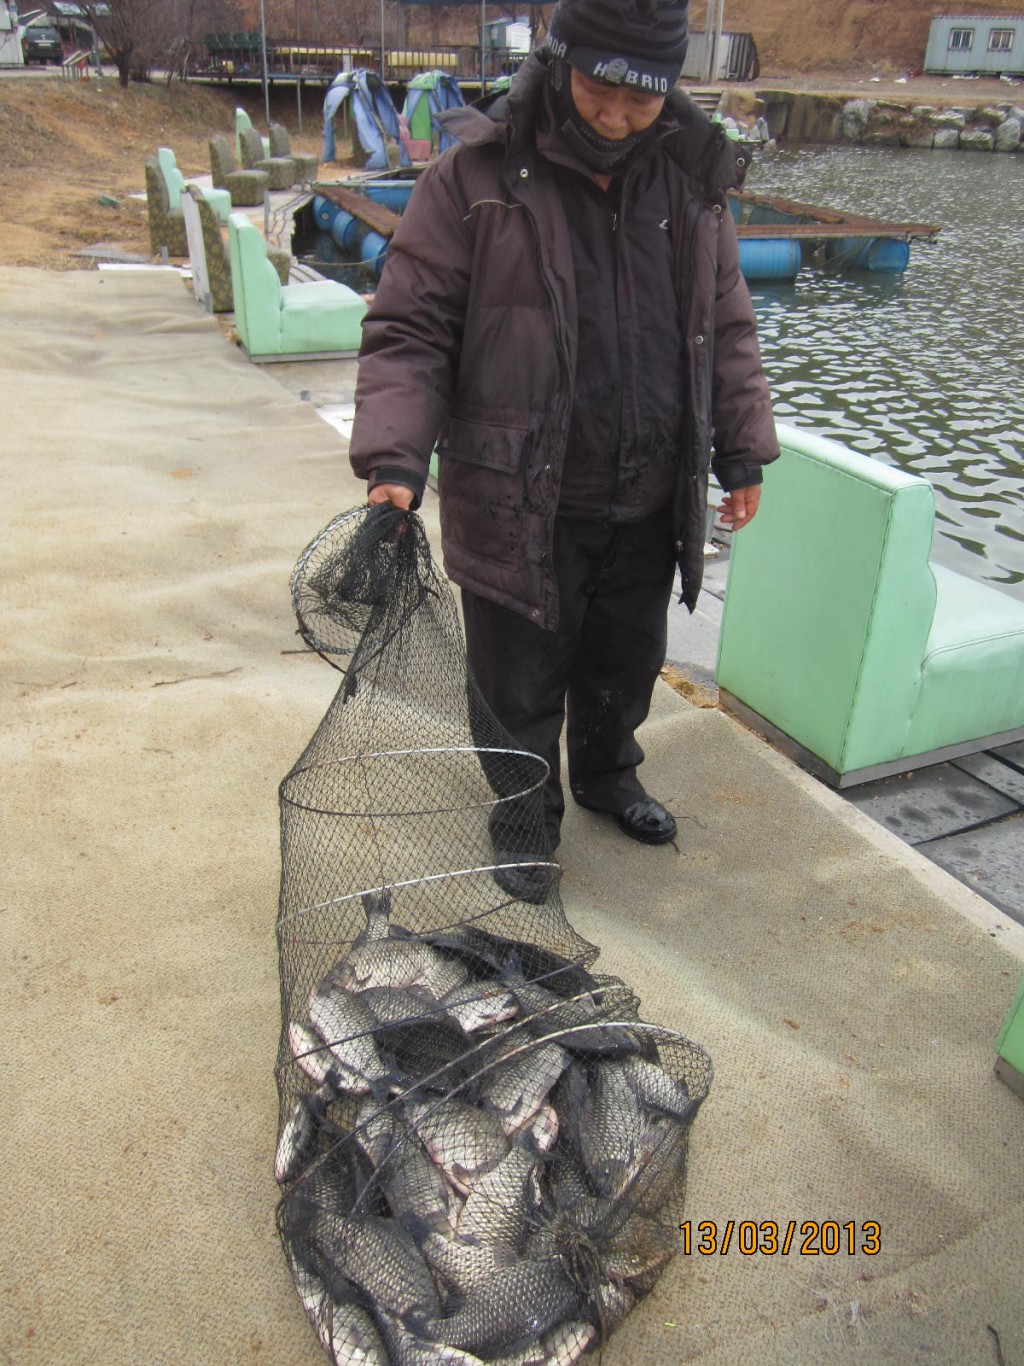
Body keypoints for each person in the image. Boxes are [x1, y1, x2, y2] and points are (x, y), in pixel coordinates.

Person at [349, 0, 779, 900]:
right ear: (561, 64)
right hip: (518, 492)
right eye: (599, 91)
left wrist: (742, 450)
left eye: (642, 100)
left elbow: (726, 321)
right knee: (517, 678)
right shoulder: (475, 175)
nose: (617, 117)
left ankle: (609, 776)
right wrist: (395, 461)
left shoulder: (690, 180)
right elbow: (411, 329)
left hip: (649, 485)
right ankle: (522, 816)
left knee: (626, 657)